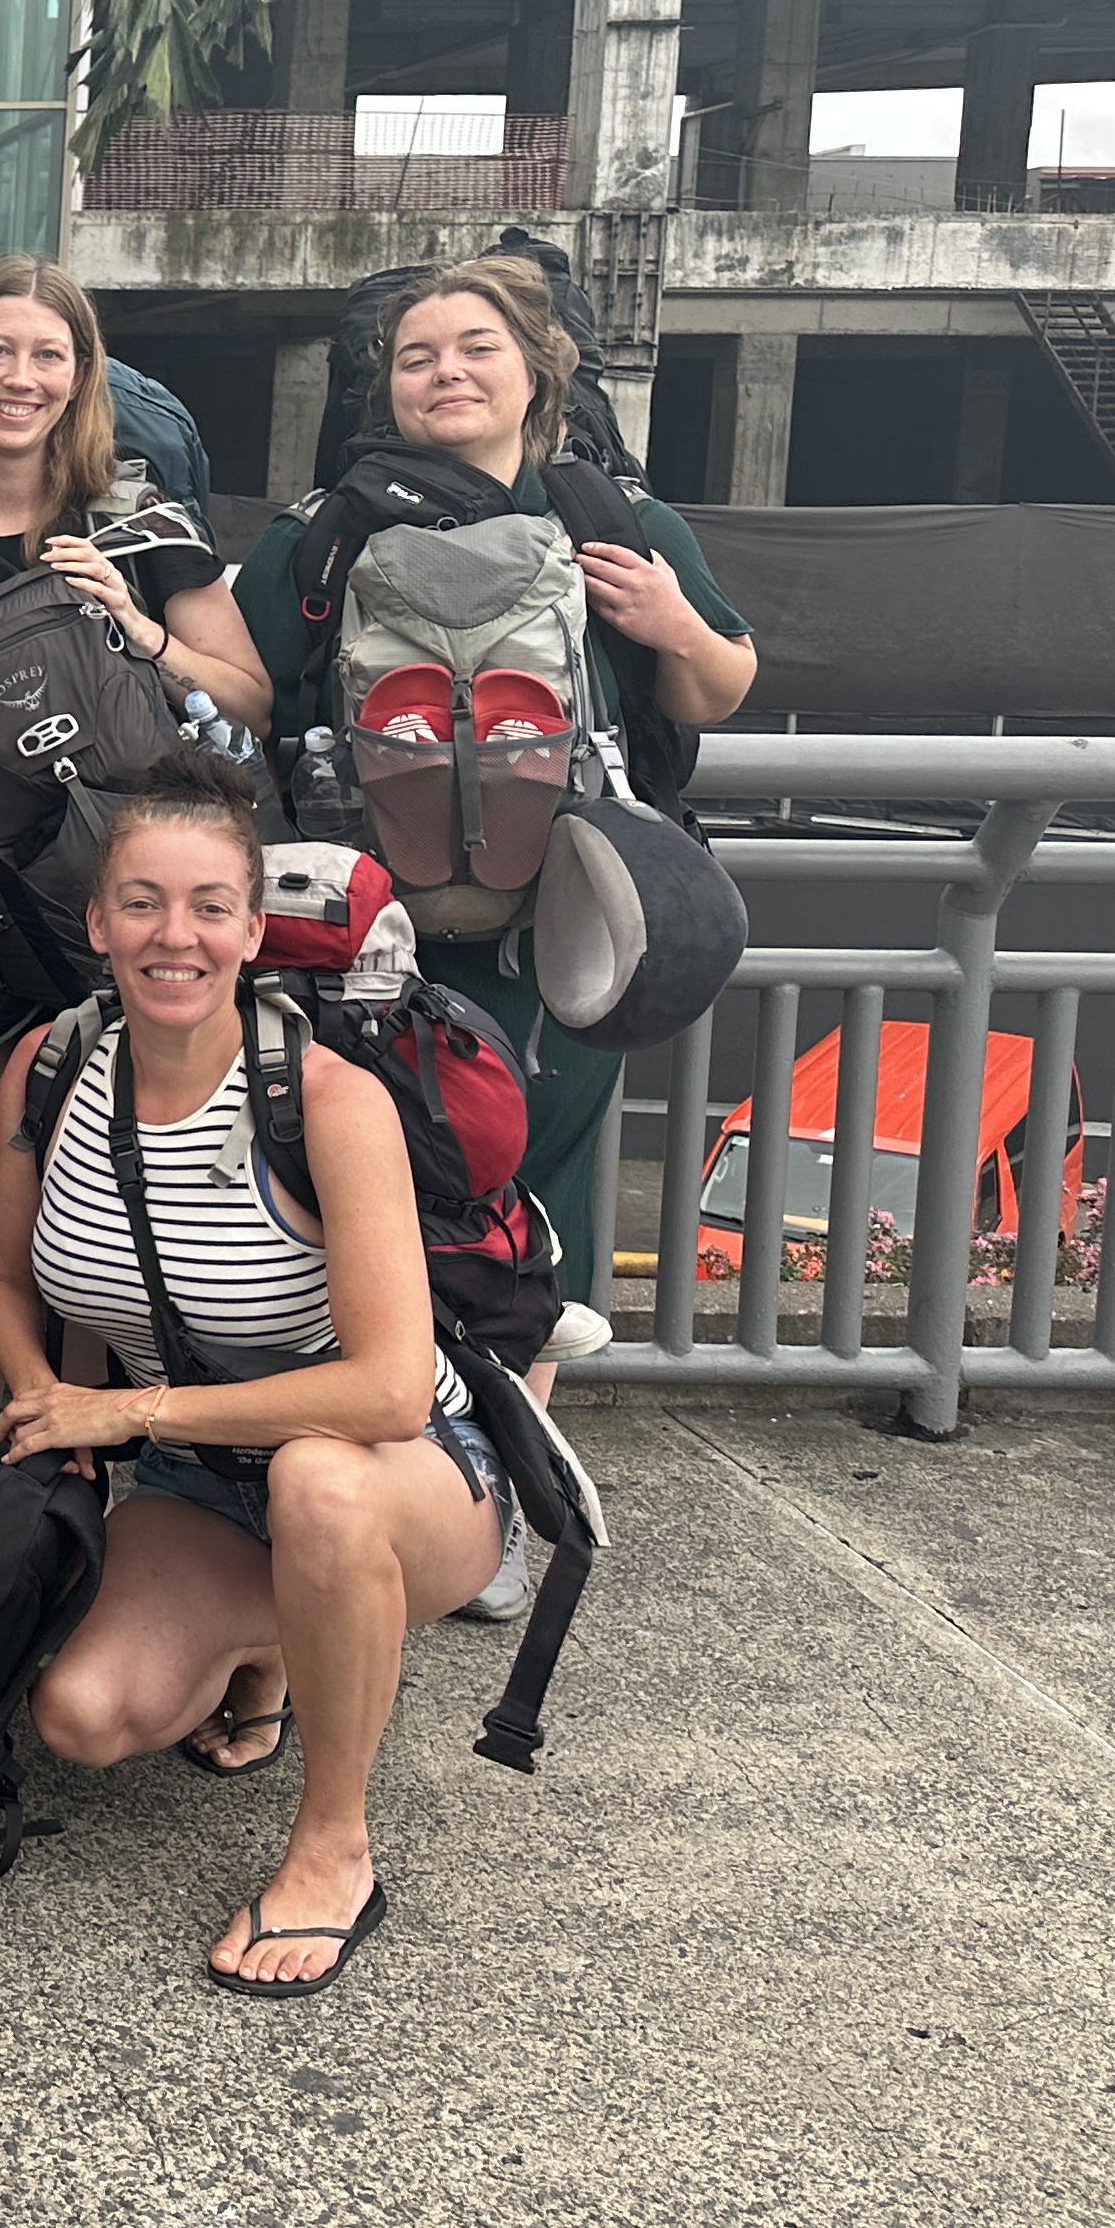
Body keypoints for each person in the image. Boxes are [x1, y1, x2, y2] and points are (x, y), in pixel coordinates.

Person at [231, 255, 754, 1607]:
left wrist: (673, 619)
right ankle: (392, 1471)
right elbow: (244, 678)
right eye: (416, 356)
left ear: (540, 371)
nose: (447, 374)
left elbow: (719, 686)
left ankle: (508, 1495)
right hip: (368, 927)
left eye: (477, 349)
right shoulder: (326, 530)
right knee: (364, 1188)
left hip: (564, 922)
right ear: (383, 384)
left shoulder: (614, 517)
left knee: (541, 1193)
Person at [0, 757, 505, 1996]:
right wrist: (47, 1403)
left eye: (212, 906)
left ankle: (335, 1845)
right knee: (85, 1719)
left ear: (254, 930)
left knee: (322, 1488)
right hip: (206, 1482)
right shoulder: (49, 1074)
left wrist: (130, 1408)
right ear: (97, 922)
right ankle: (286, 1641)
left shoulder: (325, 1101)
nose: (178, 935)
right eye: (145, 903)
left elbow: (384, 1389)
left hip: (404, 1470)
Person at [0, 258, 267, 1411]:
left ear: (82, 379)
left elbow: (249, 697)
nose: (19, 377)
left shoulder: (147, 533)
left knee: (115, 1196)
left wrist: (134, 626)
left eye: (48, 355)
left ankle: (93, 1452)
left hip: (137, 915)